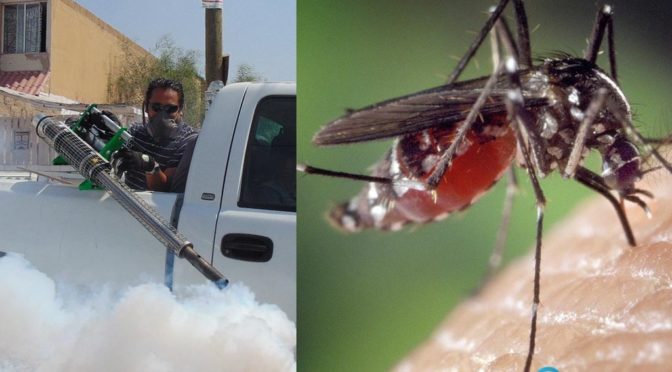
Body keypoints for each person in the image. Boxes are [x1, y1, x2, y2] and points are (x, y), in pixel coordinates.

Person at [96, 78, 197, 192]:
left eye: (170, 109)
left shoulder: (188, 142)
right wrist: (111, 133)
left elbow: (166, 190)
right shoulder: (136, 132)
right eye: (156, 107)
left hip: (156, 208)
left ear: (180, 110)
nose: (162, 115)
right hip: (128, 202)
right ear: (146, 107)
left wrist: (150, 166)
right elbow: (110, 154)